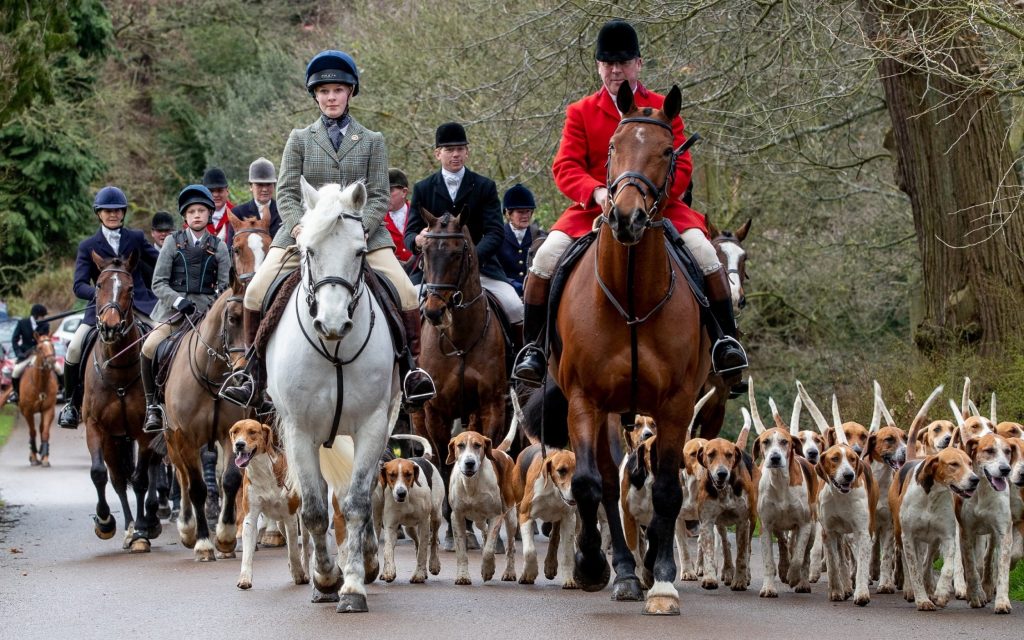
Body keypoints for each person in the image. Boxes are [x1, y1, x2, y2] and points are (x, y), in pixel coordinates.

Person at [511, 19, 748, 391]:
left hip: (661, 208)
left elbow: (682, 164)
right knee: (542, 261)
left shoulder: (663, 108)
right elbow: (565, 166)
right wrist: (597, 192)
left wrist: (653, 197)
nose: (615, 70)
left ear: (638, 64)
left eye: (622, 63)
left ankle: (725, 344)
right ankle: (534, 351)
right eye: (608, 63)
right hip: (593, 210)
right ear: (598, 67)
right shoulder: (581, 111)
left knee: (706, 254)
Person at [220, 49, 435, 411]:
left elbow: (380, 196)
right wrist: (300, 226)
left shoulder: (372, 140)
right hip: (304, 235)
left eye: (337, 90)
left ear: (350, 92)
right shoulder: (300, 139)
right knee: (256, 290)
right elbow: (287, 192)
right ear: (315, 96)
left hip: (362, 236)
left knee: (407, 293)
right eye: (323, 92)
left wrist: (363, 228)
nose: (330, 97)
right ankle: (250, 374)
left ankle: (412, 372)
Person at [405, 123, 525, 338]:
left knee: (514, 306)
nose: (455, 155)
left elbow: (495, 232)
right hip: (435, 273)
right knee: (408, 304)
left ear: (467, 152)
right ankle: (409, 364)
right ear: (437, 154)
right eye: (449, 150)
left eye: (460, 149)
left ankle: (520, 361)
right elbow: (410, 233)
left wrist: (471, 258)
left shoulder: (484, 186)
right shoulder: (423, 188)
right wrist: (417, 240)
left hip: (481, 268)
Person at [58, 186, 161, 429]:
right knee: (74, 348)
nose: (113, 214)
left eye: (117, 210)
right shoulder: (87, 245)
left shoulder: (135, 238)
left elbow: (159, 263)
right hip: (103, 309)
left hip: (139, 305)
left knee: (163, 343)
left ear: (123, 213)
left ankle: (160, 403)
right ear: (99, 213)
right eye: (107, 211)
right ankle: (71, 404)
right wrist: (104, 295)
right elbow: (79, 285)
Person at [139, 185, 231, 432]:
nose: (197, 215)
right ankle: (152, 407)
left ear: (209, 213)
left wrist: (211, 308)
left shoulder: (220, 247)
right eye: (192, 212)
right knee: (148, 348)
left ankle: (234, 400)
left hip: (207, 317)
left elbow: (225, 287)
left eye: (201, 210)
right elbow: (158, 282)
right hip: (174, 313)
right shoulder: (172, 242)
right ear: (185, 217)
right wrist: (178, 301)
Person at [496, 183, 546, 298]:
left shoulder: (541, 237)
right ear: (508, 213)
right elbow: (493, 268)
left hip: (535, 295)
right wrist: (511, 283)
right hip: (505, 292)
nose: (525, 216)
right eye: (520, 212)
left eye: (527, 211)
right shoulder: (497, 236)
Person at [226, 157, 283, 245]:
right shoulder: (238, 213)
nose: (265, 189)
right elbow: (231, 247)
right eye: (259, 185)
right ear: (250, 186)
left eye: (269, 184)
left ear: (274, 185)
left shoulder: (283, 211)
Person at [6, 304, 51, 405]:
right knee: (16, 372)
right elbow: (14, 339)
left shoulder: (45, 325)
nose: (43, 318)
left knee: (58, 368)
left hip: (41, 355)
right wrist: (18, 353)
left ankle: (62, 391)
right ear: (36, 316)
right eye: (42, 316)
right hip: (26, 354)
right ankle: (16, 393)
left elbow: (45, 340)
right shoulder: (22, 323)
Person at [385, 168, 414, 265]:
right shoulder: (376, 219)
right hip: (386, 275)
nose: (384, 196)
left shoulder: (419, 215)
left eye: (390, 190)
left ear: (404, 192)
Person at [202, 167, 234, 241]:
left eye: (220, 190)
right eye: (211, 191)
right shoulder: (194, 216)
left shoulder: (237, 214)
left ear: (227, 191)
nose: (216, 195)